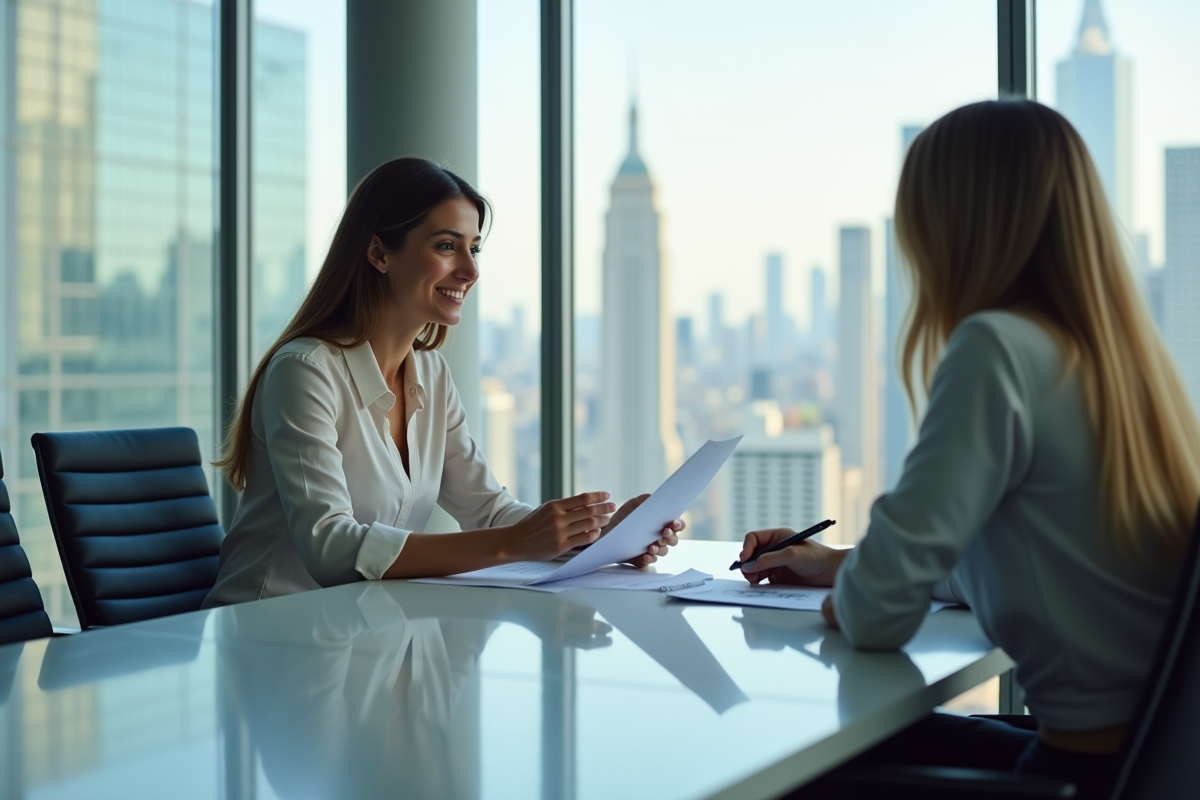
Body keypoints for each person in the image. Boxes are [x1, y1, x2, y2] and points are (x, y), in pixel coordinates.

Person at [736, 100, 1200, 798]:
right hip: (1149, 761)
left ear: (957, 228)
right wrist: (841, 565)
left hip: (1081, 775)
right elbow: (1032, 560)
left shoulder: (998, 349)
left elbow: (877, 617)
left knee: (783, 765)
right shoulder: (1117, 361)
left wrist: (861, 592)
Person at [205, 158, 681, 607]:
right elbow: (329, 549)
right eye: (447, 246)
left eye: (474, 249)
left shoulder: (430, 374)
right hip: (265, 631)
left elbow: (490, 513)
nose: (471, 271)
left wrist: (601, 538)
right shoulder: (306, 370)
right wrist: (511, 543)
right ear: (378, 253)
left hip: (354, 633)